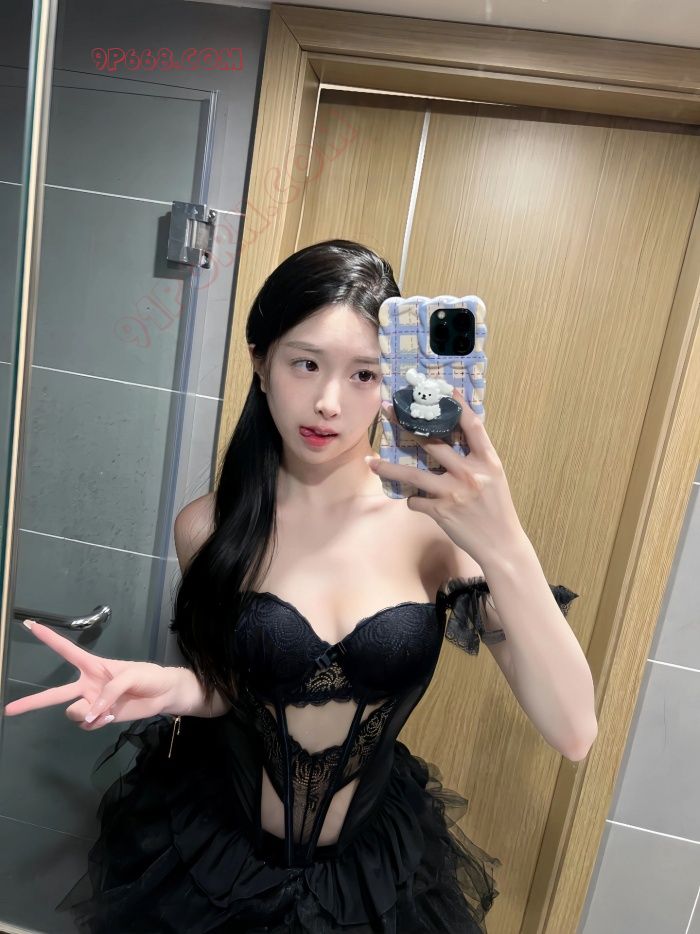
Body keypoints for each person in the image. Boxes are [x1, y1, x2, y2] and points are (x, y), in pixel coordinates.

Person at [4, 239, 581, 933]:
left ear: (393, 380)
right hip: (211, 864)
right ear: (260, 360)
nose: (328, 403)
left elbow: (574, 731)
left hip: (375, 883)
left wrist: (504, 538)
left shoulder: (436, 530)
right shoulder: (208, 527)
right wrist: (181, 688)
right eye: (305, 364)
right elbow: (242, 690)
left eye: (364, 374)